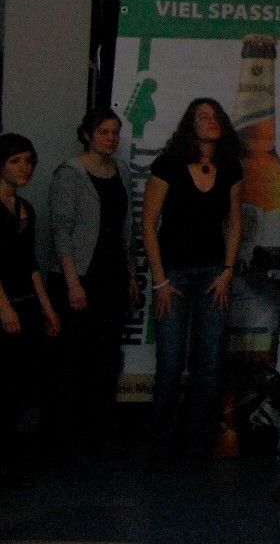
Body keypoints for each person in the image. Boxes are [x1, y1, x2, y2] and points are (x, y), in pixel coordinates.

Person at [141, 98, 243, 457]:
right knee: (170, 362)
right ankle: (161, 442)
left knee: (210, 362)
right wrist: (160, 281)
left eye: (216, 116)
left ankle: (200, 442)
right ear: (191, 124)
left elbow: (235, 222)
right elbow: (148, 224)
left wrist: (228, 270)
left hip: (214, 273)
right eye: (203, 116)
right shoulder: (168, 164)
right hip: (173, 274)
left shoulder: (229, 167)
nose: (211, 121)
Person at [39, 109, 139, 443]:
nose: (111, 138)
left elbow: (126, 229)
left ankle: (96, 428)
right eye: (104, 132)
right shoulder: (70, 173)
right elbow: (61, 229)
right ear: (87, 135)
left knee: (105, 356)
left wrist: (131, 275)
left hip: (112, 275)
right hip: (79, 275)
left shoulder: (122, 171)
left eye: (115, 132)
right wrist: (72, 283)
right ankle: (61, 432)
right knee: (70, 356)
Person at [0, 133, 61, 463]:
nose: (25, 167)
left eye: (28, 161)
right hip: (5, 303)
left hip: (25, 301)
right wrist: (4, 307)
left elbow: (30, 264)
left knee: (23, 382)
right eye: (15, 161)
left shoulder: (26, 208)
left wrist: (47, 308)